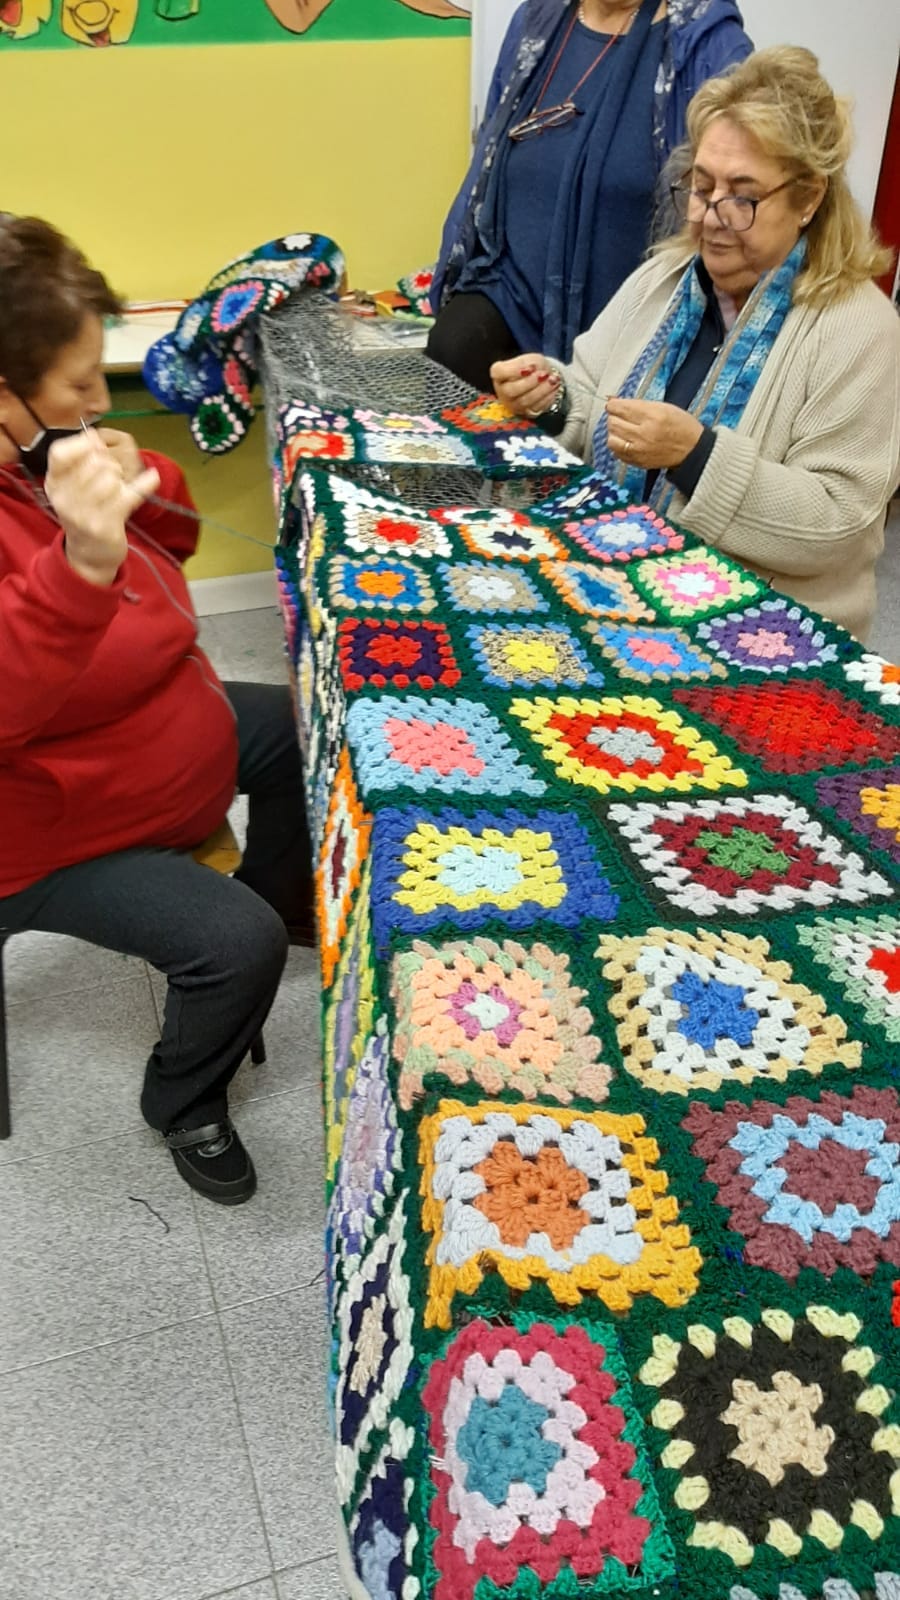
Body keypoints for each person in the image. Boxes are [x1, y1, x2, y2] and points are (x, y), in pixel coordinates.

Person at [0, 216, 315, 1206]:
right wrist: (78, 568)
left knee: (312, 730)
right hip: (50, 835)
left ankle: (285, 899)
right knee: (234, 945)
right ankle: (184, 1099)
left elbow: (167, 551)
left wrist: (148, 481)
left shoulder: (40, 453)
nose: (99, 400)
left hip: (161, 738)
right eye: (78, 384)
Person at [492, 46, 900, 642]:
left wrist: (696, 456)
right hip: (619, 594)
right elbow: (586, 401)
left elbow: (839, 521)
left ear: (809, 198)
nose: (710, 217)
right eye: (702, 187)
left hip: (771, 638)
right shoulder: (662, 281)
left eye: (742, 196)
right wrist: (548, 398)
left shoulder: (859, 327)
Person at [427, 0, 752, 391]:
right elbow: (489, 165)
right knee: (453, 349)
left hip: (631, 316)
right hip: (513, 296)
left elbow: (736, 196)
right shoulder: (536, 21)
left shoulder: (708, 43)